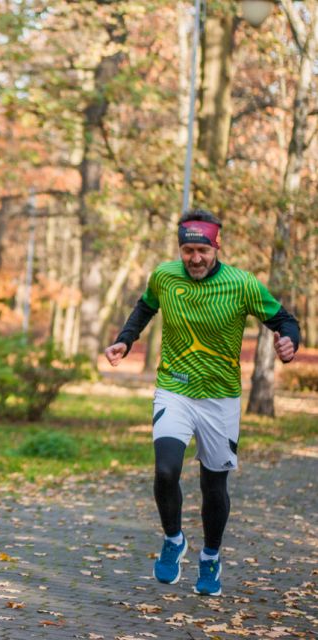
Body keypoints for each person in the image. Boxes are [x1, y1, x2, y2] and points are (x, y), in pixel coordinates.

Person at [104, 208, 300, 597]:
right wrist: (125, 340)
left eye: (202, 251)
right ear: (180, 249)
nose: (195, 259)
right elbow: (145, 307)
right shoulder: (164, 276)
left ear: (216, 247)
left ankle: (210, 556)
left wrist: (289, 341)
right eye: (187, 250)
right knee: (165, 471)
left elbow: (284, 319)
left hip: (220, 398)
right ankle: (173, 539)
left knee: (213, 486)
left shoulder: (242, 284)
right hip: (174, 389)